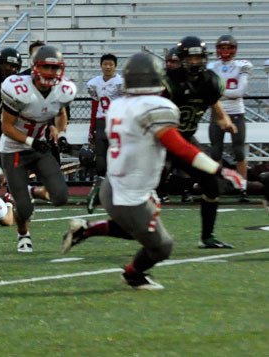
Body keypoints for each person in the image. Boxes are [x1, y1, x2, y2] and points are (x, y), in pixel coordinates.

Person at [61, 53, 245, 290]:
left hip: (114, 185)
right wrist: (218, 169)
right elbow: (176, 145)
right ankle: (132, 275)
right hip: (130, 193)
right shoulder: (157, 106)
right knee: (162, 246)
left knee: (134, 229)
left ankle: (85, 229)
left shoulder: (118, 105)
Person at [162, 35, 239, 248]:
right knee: (152, 190)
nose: (195, 63)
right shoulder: (169, 82)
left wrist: (224, 120)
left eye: (199, 58)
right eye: (191, 58)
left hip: (185, 139)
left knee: (211, 184)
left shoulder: (210, 81)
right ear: (182, 59)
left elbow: (214, 104)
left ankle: (207, 237)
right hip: (162, 141)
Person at [0, 45, 75, 253]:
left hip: (39, 147)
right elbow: (6, 128)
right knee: (24, 208)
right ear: (34, 68)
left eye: (55, 68)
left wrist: (61, 134)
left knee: (61, 196)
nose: (51, 73)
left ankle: (30, 190)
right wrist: (31, 142)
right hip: (14, 149)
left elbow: (60, 113)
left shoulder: (63, 89)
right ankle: (23, 234)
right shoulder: (18, 89)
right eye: (46, 67)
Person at [207, 35, 253, 202]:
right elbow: (209, 91)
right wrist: (221, 95)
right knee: (216, 152)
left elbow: (240, 92)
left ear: (235, 49)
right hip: (218, 113)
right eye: (222, 48)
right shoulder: (211, 66)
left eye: (229, 48)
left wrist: (218, 93)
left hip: (236, 113)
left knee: (239, 152)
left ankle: (243, 188)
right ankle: (217, 187)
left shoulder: (243, 65)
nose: (225, 51)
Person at [84, 53, 124, 214]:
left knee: (117, 156)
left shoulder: (122, 83)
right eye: (105, 64)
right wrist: (91, 128)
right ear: (101, 65)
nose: (108, 67)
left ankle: (117, 190)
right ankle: (101, 190)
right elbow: (95, 106)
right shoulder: (94, 83)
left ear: (115, 66)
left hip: (117, 122)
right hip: (101, 121)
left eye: (111, 64)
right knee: (101, 159)